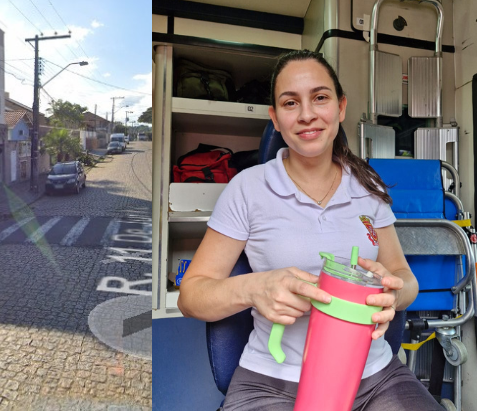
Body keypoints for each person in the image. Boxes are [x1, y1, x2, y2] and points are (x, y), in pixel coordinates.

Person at [177, 50, 443, 410]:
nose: (306, 115)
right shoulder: (247, 188)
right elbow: (191, 296)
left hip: (376, 376)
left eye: (320, 97)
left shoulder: (369, 188)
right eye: (290, 103)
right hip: (272, 383)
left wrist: (395, 295)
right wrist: (254, 288)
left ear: (340, 107)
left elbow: (404, 278)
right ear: (275, 117)